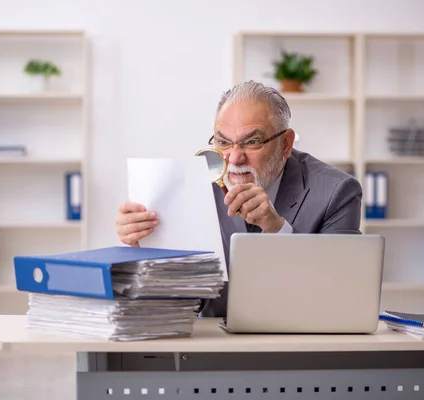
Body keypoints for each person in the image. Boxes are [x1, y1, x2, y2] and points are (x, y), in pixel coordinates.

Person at [115, 80, 362, 317]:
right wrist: (145, 250)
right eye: (223, 142)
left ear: (285, 144)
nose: (234, 159)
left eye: (252, 142)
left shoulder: (336, 192)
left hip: (298, 348)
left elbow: (341, 296)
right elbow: (183, 301)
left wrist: (277, 230)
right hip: (212, 349)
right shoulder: (193, 184)